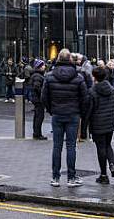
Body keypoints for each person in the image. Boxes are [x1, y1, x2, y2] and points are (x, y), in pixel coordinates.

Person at [41, 49, 87, 187]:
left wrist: (51, 110)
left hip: (57, 114)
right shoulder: (78, 77)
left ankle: (55, 177)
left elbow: (44, 97)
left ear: (58, 59)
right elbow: (85, 98)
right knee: (71, 146)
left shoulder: (49, 76)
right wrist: (80, 112)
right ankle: (71, 178)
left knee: (57, 146)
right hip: (73, 114)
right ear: (71, 60)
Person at [86, 65, 114, 184]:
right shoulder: (112, 90)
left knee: (100, 148)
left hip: (97, 123)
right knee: (108, 145)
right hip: (109, 122)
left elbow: (89, 110)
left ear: (94, 77)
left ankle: (104, 175)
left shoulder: (92, 91)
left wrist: (85, 126)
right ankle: (112, 164)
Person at [30, 59, 47, 140]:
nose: (44, 66)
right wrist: (42, 94)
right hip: (38, 99)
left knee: (37, 116)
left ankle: (36, 133)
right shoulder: (38, 76)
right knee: (39, 116)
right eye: (43, 65)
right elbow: (37, 87)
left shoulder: (36, 75)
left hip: (36, 99)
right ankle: (37, 134)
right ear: (39, 67)